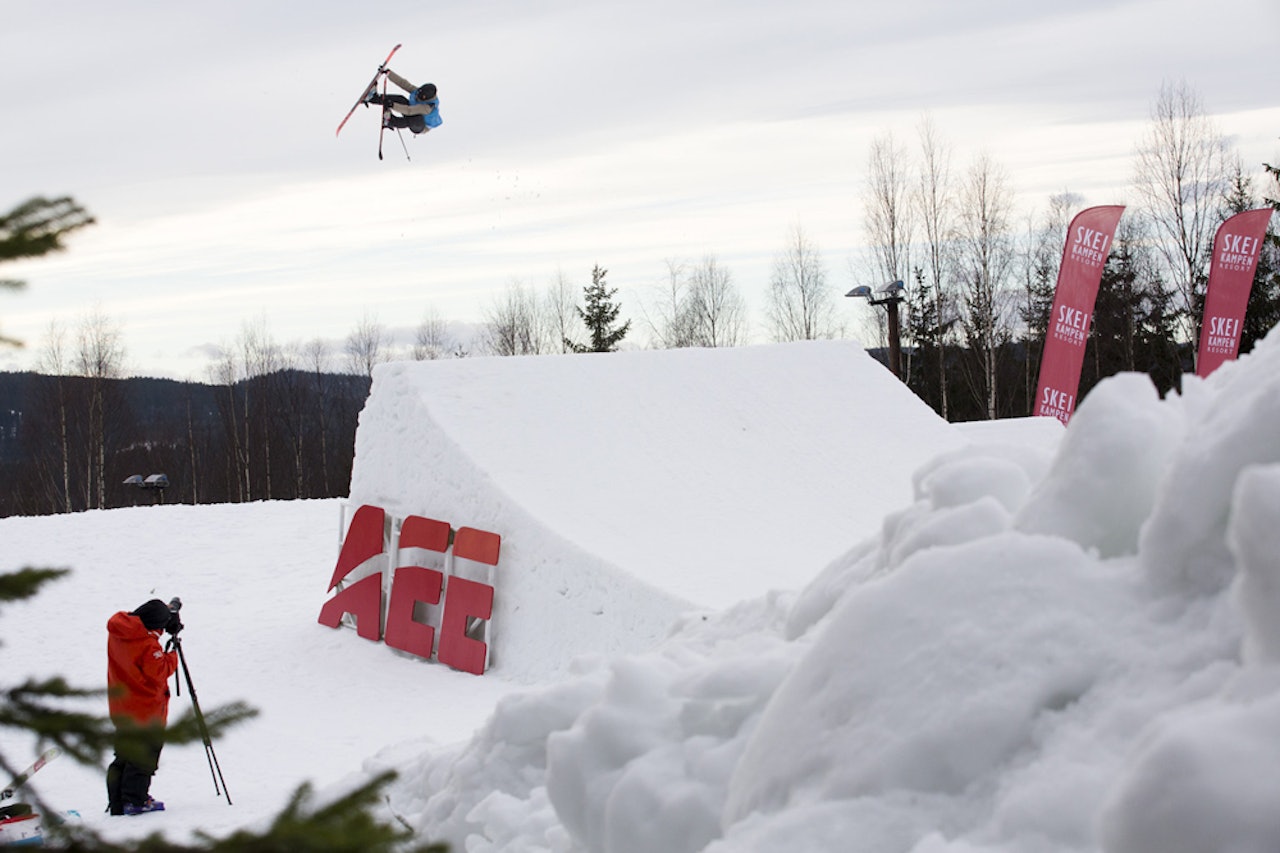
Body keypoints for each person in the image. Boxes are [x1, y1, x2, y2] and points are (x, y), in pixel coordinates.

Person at [105, 599, 181, 816]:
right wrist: (173, 654)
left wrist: (167, 614)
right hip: (145, 709)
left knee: (123, 755)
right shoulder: (147, 645)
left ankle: (117, 801)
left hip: (122, 706)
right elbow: (158, 672)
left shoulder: (120, 631)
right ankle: (135, 800)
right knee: (144, 756)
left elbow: (151, 616)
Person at [364, 68, 441, 134]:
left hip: (420, 126)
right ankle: (373, 98)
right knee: (401, 99)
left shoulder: (427, 107)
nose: (417, 97)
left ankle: (390, 121)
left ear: (426, 98)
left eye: (421, 97)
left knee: (415, 120)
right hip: (414, 112)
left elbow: (409, 110)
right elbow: (404, 84)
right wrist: (390, 74)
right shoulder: (419, 92)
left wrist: (392, 105)